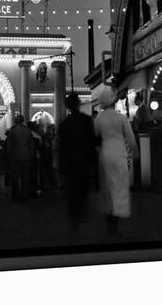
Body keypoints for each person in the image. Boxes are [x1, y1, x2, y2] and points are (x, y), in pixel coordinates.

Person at [94, 87, 139, 235]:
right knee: (119, 187)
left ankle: (109, 220)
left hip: (105, 155)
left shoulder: (99, 119)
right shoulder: (121, 118)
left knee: (107, 188)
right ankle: (116, 220)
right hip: (119, 155)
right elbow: (131, 138)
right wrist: (136, 153)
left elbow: (95, 139)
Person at [58, 93, 97, 230]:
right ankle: (80, 213)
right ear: (78, 104)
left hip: (70, 165)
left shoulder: (64, 125)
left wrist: (61, 167)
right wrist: (93, 164)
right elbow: (91, 143)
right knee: (82, 190)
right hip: (84, 162)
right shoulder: (86, 121)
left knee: (71, 193)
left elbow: (61, 148)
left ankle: (74, 217)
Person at [5, 115, 36, 201]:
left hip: (15, 157)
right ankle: (25, 195)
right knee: (25, 177)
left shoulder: (13, 131)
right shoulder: (27, 130)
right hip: (26, 157)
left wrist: (8, 156)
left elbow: (9, 146)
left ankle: (15, 195)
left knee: (15, 178)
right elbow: (31, 145)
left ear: (15, 121)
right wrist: (31, 155)